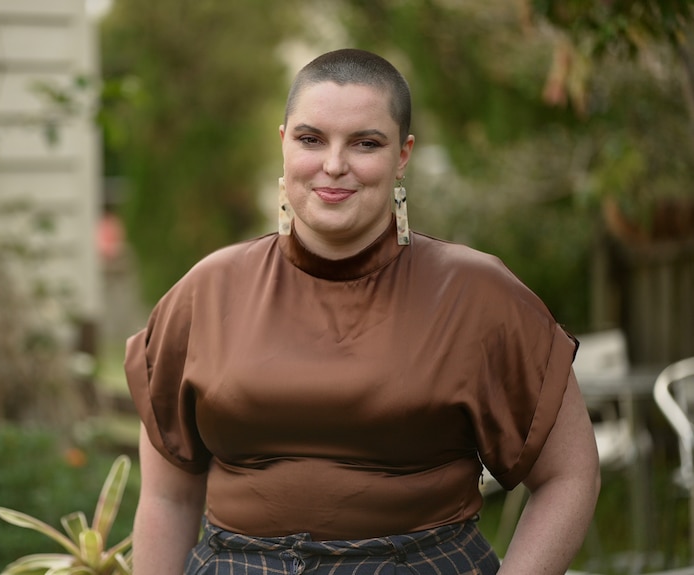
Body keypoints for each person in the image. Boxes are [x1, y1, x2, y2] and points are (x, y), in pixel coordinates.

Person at [125, 48, 600, 575]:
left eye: (365, 143)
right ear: (284, 144)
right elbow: (168, 498)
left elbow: (569, 475)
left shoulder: (479, 293)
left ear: (403, 154)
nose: (334, 164)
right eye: (311, 139)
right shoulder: (206, 291)